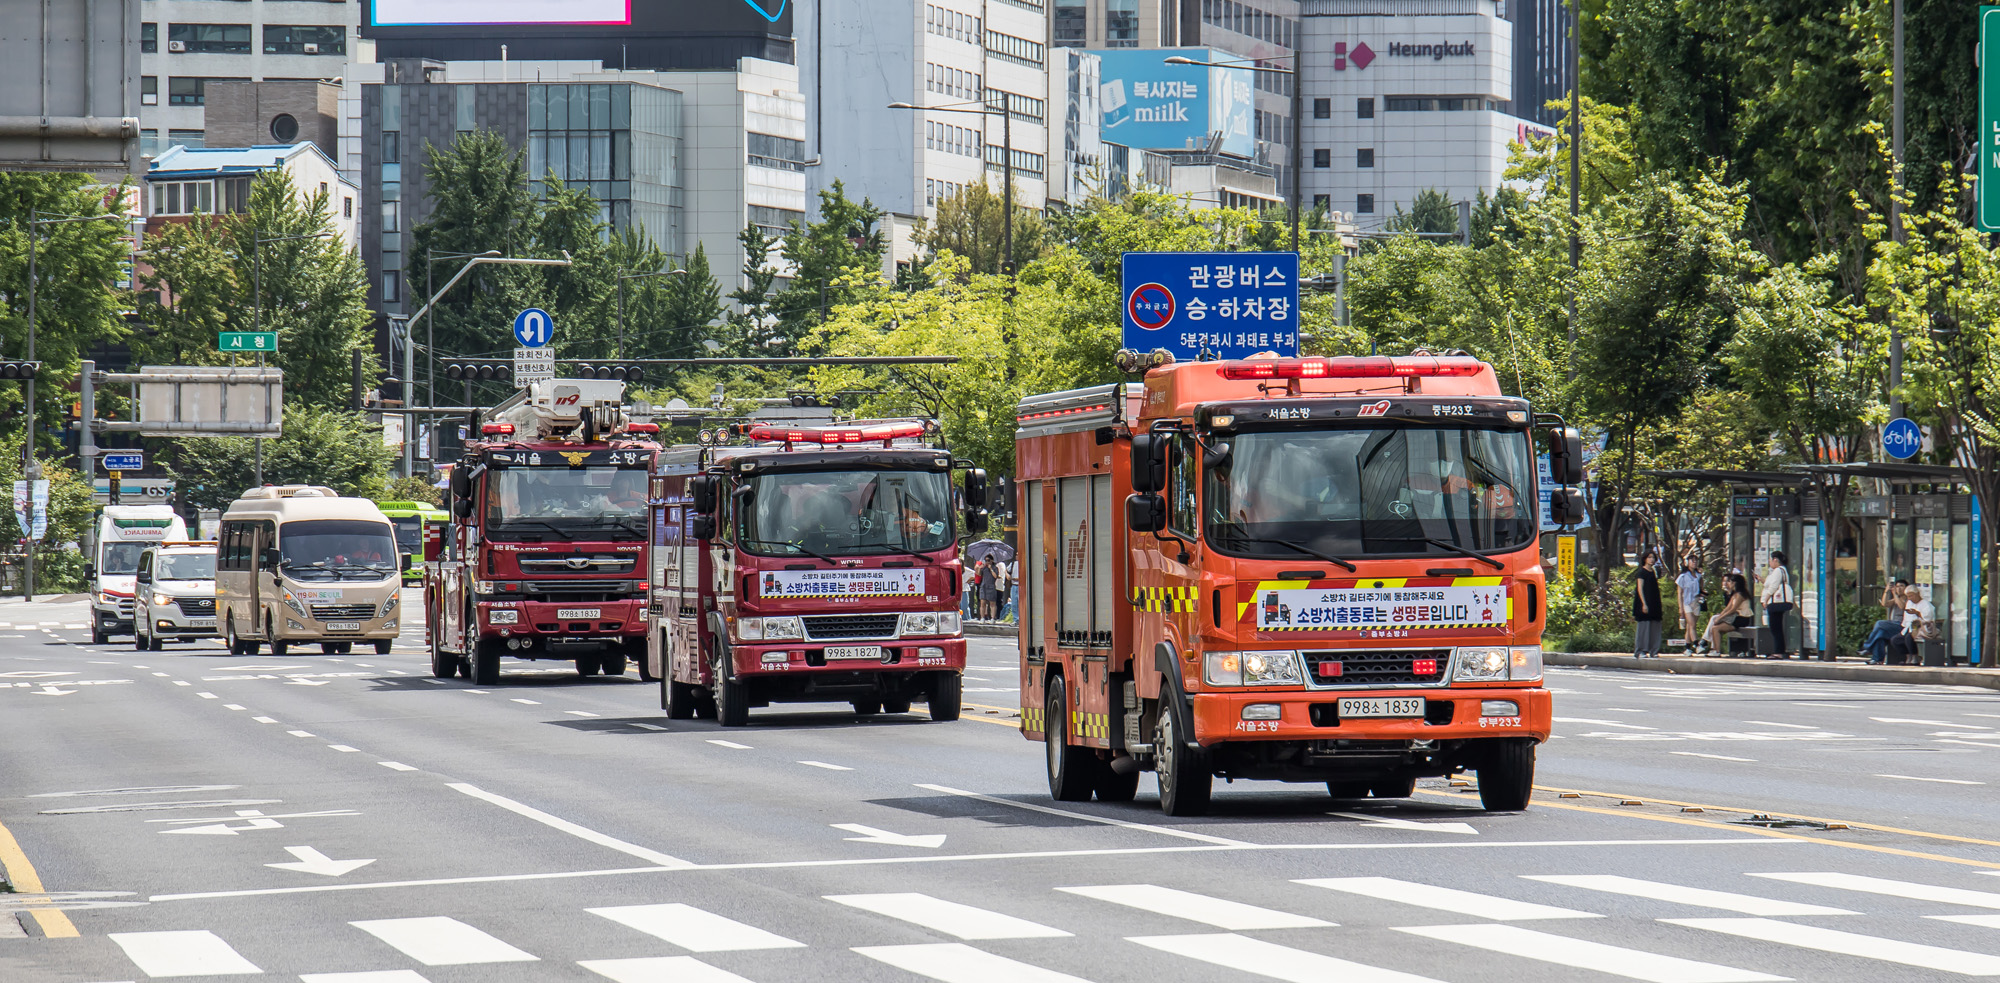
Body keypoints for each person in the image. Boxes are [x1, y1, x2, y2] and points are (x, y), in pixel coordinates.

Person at [1701, 573, 1755, 655]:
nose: (1728, 583)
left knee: (1716, 629)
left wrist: (1720, 618)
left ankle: (1717, 651)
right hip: (1736, 617)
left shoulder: (1740, 595)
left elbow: (1733, 609)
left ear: (1735, 583)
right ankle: (1714, 649)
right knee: (1714, 626)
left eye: (1730, 581)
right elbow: (1727, 608)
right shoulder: (1735, 595)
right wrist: (1720, 617)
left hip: (1742, 618)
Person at [1863, 579, 1911, 664]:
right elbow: (1885, 604)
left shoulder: (1908, 599)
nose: (1899, 588)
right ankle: (1877, 660)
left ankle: (1867, 647)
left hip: (1902, 626)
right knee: (1880, 634)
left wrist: (1895, 594)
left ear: (1906, 588)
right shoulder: (1896, 598)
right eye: (1897, 586)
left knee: (1879, 623)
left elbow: (1902, 606)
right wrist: (1886, 591)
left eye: (1901, 586)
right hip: (1892, 625)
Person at [1887, 585, 1935, 665]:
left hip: (1922, 628)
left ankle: (1915, 657)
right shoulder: (1909, 603)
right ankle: (1908, 656)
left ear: (1917, 594)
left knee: (1909, 638)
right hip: (1909, 627)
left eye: (1911, 596)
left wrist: (1917, 613)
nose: (1909, 598)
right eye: (1908, 596)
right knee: (1895, 640)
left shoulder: (1926, 604)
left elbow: (1928, 619)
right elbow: (1906, 618)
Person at [1761, 550, 1795, 659]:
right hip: (1777, 602)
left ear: (1775, 560)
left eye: (1770, 560)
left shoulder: (1778, 571)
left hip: (1775, 602)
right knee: (1777, 627)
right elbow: (1769, 583)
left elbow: (1773, 586)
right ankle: (1780, 650)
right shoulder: (1782, 570)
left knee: (1775, 627)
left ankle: (1778, 652)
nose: (1770, 563)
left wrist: (1766, 599)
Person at [1632, 550, 1664, 658]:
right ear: (1645, 559)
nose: (1652, 559)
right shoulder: (1641, 572)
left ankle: (1653, 650)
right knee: (1644, 628)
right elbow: (1640, 588)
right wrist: (1643, 603)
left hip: (1654, 602)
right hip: (1645, 602)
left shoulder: (1653, 572)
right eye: (1649, 557)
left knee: (1655, 626)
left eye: (1653, 557)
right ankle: (1641, 650)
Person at [1675, 555, 1703, 650]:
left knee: (1690, 626)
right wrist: (1680, 607)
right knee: (1692, 624)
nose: (1694, 562)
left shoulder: (1698, 576)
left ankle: (1687, 647)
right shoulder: (1683, 576)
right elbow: (1679, 593)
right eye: (1692, 560)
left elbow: (1701, 589)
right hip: (1687, 602)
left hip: (1696, 601)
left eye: (1696, 560)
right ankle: (1696, 644)